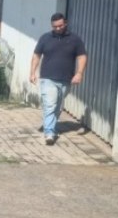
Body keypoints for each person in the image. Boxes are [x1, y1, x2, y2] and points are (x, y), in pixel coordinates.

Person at [30, 12, 87, 145]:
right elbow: (36, 55)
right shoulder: (45, 38)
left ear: (65, 23)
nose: (58, 28)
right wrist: (32, 72)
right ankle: (49, 133)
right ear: (52, 26)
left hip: (66, 79)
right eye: (55, 26)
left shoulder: (75, 40)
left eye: (60, 25)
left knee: (58, 107)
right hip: (48, 78)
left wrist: (79, 73)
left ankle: (51, 127)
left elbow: (82, 56)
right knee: (50, 104)